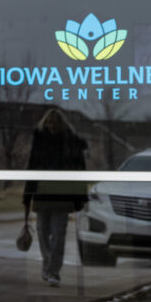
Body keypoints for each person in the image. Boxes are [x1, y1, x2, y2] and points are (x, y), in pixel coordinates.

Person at [23, 108, 88, 287]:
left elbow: (80, 170)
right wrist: (27, 196)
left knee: (58, 235)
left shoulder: (71, 143)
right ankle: (48, 266)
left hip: (63, 195)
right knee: (43, 232)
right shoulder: (40, 142)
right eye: (49, 123)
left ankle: (53, 271)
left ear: (61, 124)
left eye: (54, 123)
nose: (51, 126)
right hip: (43, 194)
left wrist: (80, 197)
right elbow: (32, 167)